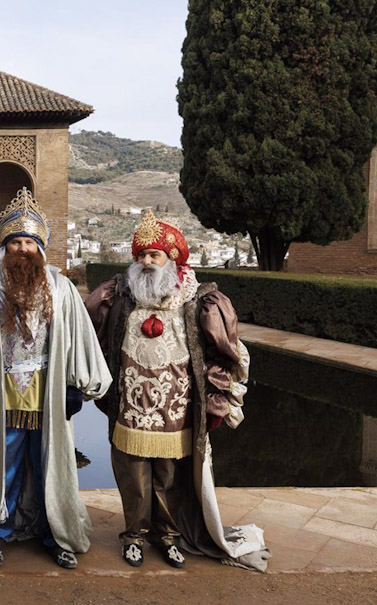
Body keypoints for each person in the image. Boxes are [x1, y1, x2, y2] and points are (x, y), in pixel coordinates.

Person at [85, 210, 269, 572]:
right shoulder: (118, 296)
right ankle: (134, 536)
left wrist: (216, 399)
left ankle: (167, 536)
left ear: (171, 259)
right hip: (130, 407)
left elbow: (221, 352)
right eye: (141, 255)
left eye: (154, 255)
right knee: (133, 475)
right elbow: (95, 337)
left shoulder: (198, 300)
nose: (146, 262)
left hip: (176, 406)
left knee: (169, 476)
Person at [0, 187, 111, 569]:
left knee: (50, 465)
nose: (22, 249)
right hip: (0, 394)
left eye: (29, 242)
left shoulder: (61, 290)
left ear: (40, 248)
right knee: (3, 466)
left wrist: (75, 386)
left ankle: (55, 534)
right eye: (15, 242)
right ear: (4, 247)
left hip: (48, 394)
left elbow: (79, 340)